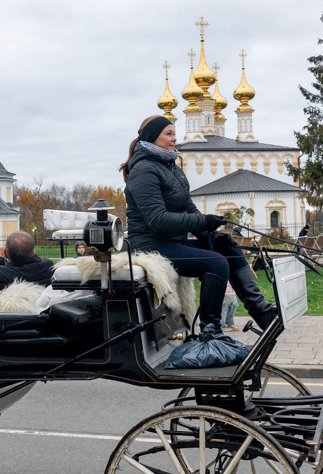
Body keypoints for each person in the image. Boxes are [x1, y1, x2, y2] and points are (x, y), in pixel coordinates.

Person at [120, 115, 279, 333]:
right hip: (151, 245)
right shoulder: (144, 170)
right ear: (152, 138)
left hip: (171, 242)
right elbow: (158, 220)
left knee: (227, 247)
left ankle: (261, 310)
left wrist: (208, 235)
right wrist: (203, 221)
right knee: (215, 263)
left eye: (174, 133)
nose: (174, 139)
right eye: (169, 134)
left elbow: (188, 208)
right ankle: (210, 329)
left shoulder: (171, 168)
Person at [0, 230, 55, 295]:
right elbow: (41, 261)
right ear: (33, 253)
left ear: (5, 254)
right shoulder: (48, 267)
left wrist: (0, 257)